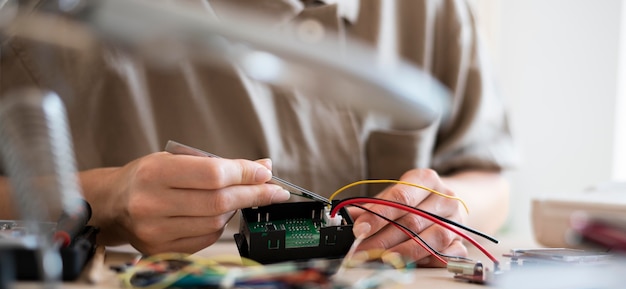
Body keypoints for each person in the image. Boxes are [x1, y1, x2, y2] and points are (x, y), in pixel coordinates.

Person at [0, 0, 516, 266]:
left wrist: (448, 210)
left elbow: (488, 180)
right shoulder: (49, 17)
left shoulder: (431, 10)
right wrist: (106, 200)